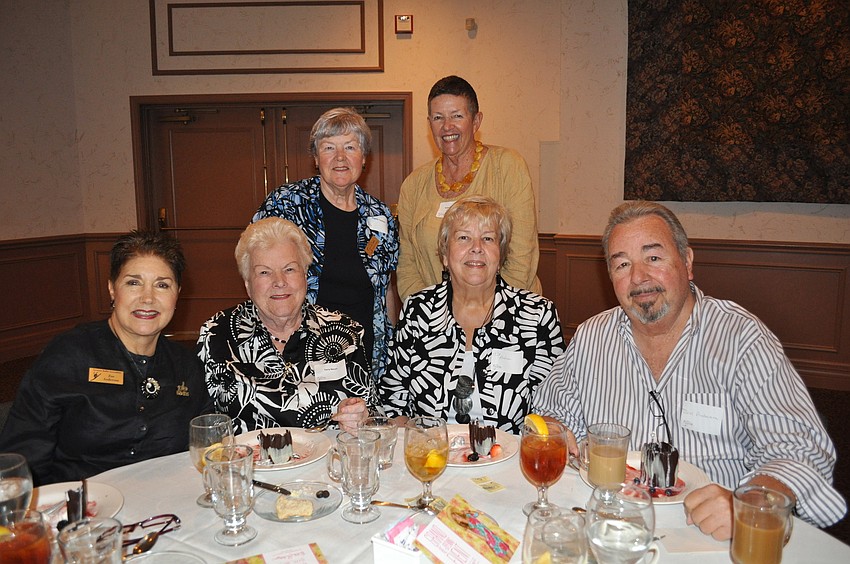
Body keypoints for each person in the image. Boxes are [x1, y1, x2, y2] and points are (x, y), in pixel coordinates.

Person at [534, 201, 846, 538]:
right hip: (609, 527)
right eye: (622, 264)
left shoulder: (740, 338)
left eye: (653, 258)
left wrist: (748, 503)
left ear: (687, 262)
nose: (639, 277)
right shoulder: (592, 337)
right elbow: (551, 413)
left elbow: (799, 449)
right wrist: (552, 429)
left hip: (708, 537)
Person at [0, 231, 212, 485]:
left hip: (162, 511)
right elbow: (22, 457)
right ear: (112, 288)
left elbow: (206, 447)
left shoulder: (187, 367)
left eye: (162, 285)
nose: (148, 298)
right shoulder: (69, 355)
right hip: (79, 511)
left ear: (177, 293)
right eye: (133, 283)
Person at [382, 196, 564, 434]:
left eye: (488, 238)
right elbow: (392, 404)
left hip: (507, 463)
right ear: (445, 256)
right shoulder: (418, 311)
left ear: (500, 256)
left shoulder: (537, 315)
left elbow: (553, 410)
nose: (477, 247)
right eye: (464, 237)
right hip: (433, 459)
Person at [253, 107, 399, 382]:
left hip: (365, 353)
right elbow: (255, 271)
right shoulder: (286, 204)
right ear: (316, 158)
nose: (340, 157)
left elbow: (386, 288)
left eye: (350, 147)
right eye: (329, 147)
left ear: (364, 157)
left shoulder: (378, 214)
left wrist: (389, 350)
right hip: (300, 355)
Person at [197, 217, 378, 435]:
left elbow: (374, 415)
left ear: (305, 275)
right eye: (264, 272)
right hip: (251, 465)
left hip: (329, 463)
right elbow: (201, 425)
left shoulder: (345, 330)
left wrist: (361, 418)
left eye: (290, 269)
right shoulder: (216, 334)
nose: (279, 281)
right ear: (247, 284)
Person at [396, 75, 541, 301]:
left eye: (457, 116)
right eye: (438, 117)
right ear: (429, 124)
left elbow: (522, 256)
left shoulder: (508, 167)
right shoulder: (413, 185)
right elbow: (407, 265)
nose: (447, 126)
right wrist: (432, 314)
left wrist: (484, 315)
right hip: (435, 321)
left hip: (507, 314)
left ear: (476, 121)